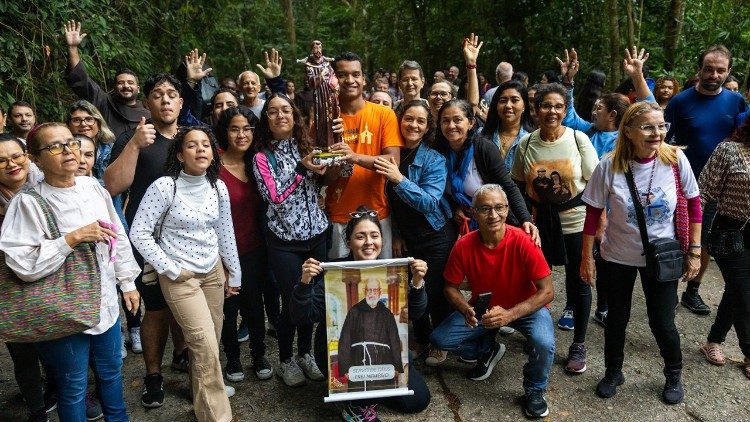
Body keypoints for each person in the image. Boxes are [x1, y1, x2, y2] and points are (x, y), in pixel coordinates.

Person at [0, 123, 141, 421]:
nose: (68, 151)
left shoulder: (92, 187)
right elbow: (22, 264)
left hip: (105, 302)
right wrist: (71, 239)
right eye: (55, 146)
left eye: (71, 143)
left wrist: (127, 282)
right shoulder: (28, 203)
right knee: (73, 385)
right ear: (36, 159)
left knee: (112, 373)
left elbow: (117, 234)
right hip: (62, 310)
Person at [581, 101, 702, 404]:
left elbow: (694, 204)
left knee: (662, 321)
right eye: (648, 127)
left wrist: (696, 251)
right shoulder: (608, 165)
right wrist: (586, 258)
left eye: (661, 126)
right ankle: (613, 371)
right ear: (630, 131)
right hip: (617, 256)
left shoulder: (675, 160)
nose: (657, 133)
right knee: (616, 318)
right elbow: (593, 213)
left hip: (662, 255)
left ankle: (674, 373)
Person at [129, 126, 241, 422]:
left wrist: (235, 273)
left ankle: (201, 393)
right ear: (180, 155)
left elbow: (225, 232)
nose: (200, 149)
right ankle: (217, 416)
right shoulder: (166, 187)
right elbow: (138, 233)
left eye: (205, 144)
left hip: (213, 272)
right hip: (181, 276)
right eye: (192, 145)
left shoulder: (218, 187)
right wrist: (170, 268)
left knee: (209, 345)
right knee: (203, 343)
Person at [291, 208, 431, 421]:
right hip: (348, 357)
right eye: (360, 236)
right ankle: (354, 405)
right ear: (348, 242)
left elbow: (416, 314)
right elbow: (303, 317)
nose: (368, 242)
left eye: (374, 235)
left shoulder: (393, 271)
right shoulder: (334, 273)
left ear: (382, 240)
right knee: (359, 383)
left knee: (418, 400)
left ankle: (370, 394)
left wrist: (418, 283)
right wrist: (304, 284)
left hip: (381, 357)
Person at [430, 184, 554, 418]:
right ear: (474, 212)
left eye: (499, 207)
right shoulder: (464, 245)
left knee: (543, 343)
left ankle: (535, 390)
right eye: (485, 209)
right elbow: (450, 287)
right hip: (483, 310)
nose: (493, 215)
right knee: (440, 339)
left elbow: (547, 291)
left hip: (526, 308)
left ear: (507, 210)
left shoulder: (523, 240)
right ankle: (487, 349)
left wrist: (509, 316)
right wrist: (465, 308)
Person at [104, 73, 189, 408]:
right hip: (149, 241)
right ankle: (153, 374)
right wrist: (136, 144)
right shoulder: (134, 136)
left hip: (188, 241)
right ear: (147, 102)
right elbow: (112, 184)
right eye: (158, 95)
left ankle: (182, 354)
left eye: (172, 94)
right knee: (155, 309)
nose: (165, 100)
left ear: (181, 102)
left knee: (183, 302)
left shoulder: (190, 138)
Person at [559, 47, 654, 326]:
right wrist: (568, 82)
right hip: (584, 210)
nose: (594, 110)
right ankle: (572, 306)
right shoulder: (587, 130)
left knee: (606, 264)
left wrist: (637, 77)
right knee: (578, 260)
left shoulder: (627, 143)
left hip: (614, 215)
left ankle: (603, 305)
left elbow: (652, 112)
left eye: (599, 108)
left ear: (612, 114)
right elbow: (568, 114)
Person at [511, 82, 599, 373]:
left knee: (579, 279)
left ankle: (579, 344)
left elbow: (596, 185)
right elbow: (519, 184)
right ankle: (538, 333)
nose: (552, 111)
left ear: (565, 110)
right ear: (536, 110)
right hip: (539, 224)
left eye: (558, 106)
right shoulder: (525, 144)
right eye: (546, 106)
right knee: (535, 280)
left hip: (575, 221)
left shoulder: (578, 140)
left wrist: (600, 224)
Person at [251, 93, 329, 387]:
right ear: (267, 120)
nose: (280, 115)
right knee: (293, 300)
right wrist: (301, 169)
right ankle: (285, 360)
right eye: (273, 112)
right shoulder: (262, 157)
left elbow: (324, 180)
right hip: (285, 241)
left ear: (295, 116)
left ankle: (306, 354)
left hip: (318, 235)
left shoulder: (306, 147)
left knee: (311, 301)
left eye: (286, 110)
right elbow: (275, 198)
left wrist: (330, 165)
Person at [665, 44, 749, 316]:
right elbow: (663, 142)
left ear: (729, 71)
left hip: (718, 187)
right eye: (708, 69)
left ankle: (692, 292)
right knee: (676, 236)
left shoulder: (735, 102)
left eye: (720, 70)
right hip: (682, 184)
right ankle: (667, 290)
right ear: (699, 69)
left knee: (705, 242)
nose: (714, 75)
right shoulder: (680, 101)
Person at [373, 100, 455, 364]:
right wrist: (396, 233)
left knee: (435, 290)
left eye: (421, 121)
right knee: (412, 290)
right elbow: (387, 202)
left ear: (428, 127)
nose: (413, 125)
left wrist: (399, 179)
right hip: (408, 237)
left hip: (435, 235)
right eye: (409, 118)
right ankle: (421, 338)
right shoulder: (390, 153)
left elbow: (430, 202)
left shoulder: (434, 158)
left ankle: (441, 342)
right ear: (399, 120)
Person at [214, 106, 274, 381]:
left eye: (247, 128)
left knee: (254, 303)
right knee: (229, 307)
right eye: (234, 128)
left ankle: (259, 354)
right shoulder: (212, 166)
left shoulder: (259, 162)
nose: (241, 134)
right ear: (225, 132)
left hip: (255, 247)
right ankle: (233, 359)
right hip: (222, 251)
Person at [326, 52, 403, 260]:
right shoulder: (324, 118)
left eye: (355, 74)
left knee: (381, 283)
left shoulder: (383, 114)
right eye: (342, 75)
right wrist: (331, 163)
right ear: (333, 80)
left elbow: (393, 161)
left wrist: (353, 157)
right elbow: (321, 175)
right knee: (342, 285)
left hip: (377, 213)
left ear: (364, 79)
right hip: (339, 213)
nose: (349, 80)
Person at [435, 99, 538, 243]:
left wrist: (526, 219)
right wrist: (455, 208)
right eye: (445, 121)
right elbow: (440, 193)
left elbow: (508, 186)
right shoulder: (438, 152)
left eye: (457, 120)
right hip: (458, 224)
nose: (451, 126)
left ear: (470, 123)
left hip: (493, 220)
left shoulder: (484, 148)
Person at [0, 133, 49, 422]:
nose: (11, 164)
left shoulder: (49, 182)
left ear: (28, 156)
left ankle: (64, 389)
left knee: (58, 340)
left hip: (51, 273)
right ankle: (36, 407)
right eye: (1, 161)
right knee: (22, 350)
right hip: (8, 283)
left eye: (16, 156)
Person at [698, 117, 750, 379]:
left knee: (736, 290)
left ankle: (713, 341)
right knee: (743, 293)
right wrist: (691, 236)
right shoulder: (729, 149)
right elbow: (702, 192)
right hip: (731, 232)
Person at [63, 21, 149, 138]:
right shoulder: (104, 102)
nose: (126, 86)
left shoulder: (148, 114)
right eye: (120, 83)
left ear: (138, 89)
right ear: (114, 88)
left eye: (130, 83)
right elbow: (81, 80)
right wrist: (73, 48)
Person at [338, 276, 403, 390]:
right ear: (365, 291)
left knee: (383, 391)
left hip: (383, 363)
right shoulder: (354, 311)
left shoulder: (387, 314)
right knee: (359, 393)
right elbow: (345, 340)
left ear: (380, 291)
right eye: (369, 290)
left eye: (375, 290)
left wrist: (397, 366)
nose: (372, 293)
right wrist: (345, 368)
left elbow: (394, 340)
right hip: (359, 361)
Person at [481, 80, 535, 170]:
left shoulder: (532, 139)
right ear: (496, 105)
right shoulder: (482, 136)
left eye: (514, 100)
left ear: (524, 106)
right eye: (503, 101)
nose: (508, 105)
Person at [64, 100, 116, 183]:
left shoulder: (113, 150)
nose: (83, 124)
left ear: (99, 124)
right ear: (68, 126)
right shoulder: (62, 151)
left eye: (89, 119)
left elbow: (116, 183)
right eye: (76, 120)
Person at [239, 49, 286, 119]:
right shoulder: (236, 109)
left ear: (259, 88)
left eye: (253, 83)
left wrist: (275, 80)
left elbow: (282, 103)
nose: (250, 86)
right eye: (246, 83)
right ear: (240, 87)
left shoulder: (268, 106)